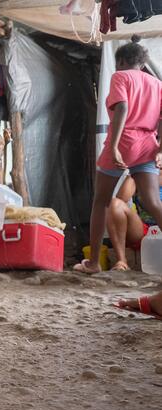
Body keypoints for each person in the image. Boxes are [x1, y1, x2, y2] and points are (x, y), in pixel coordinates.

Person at [75, 37, 162, 274]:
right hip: (147, 144)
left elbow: (122, 106)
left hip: (123, 140)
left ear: (121, 61)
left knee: (101, 201)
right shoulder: (156, 83)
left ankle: (93, 263)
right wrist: (160, 148)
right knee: (154, 203)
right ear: (142, 63)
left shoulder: (120, 76)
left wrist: (113, 145)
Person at [105, 175, 162, 271]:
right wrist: (134, 173)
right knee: (115, 204)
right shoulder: (141, 174)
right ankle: (122, 261)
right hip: (145, 231)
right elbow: (121, 198)